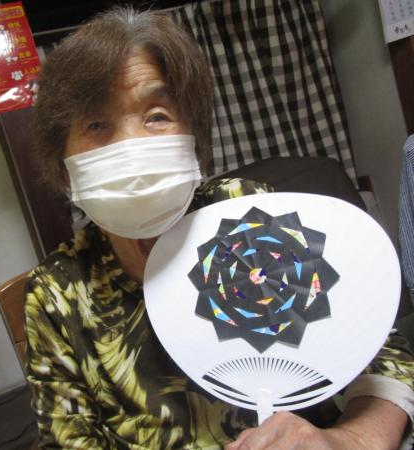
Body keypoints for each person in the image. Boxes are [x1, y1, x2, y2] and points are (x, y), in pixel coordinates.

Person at [25, 6, 414, 449]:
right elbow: (68, 439)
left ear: (195, 137)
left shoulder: (249, 212)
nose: (132, 146)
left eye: (157, 115)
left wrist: (346, 441)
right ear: (64, 164)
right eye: (96, 124)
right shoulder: (57, 293)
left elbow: (382, 358)